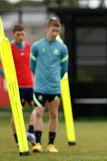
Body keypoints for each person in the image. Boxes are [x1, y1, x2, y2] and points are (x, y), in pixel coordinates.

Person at [30, 17, 69, 153]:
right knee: (39, 113)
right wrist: (41, 77)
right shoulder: (36, 46)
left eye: (57, 31)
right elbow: (32, 66)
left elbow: (64, 68)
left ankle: (51, 144)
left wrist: (55, 78)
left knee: (53, 114)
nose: (55, 33)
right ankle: (38, 143)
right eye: (53, 30)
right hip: (40, 87)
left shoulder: (62, 48)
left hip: (55, 87)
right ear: (46, 29)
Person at [0, 24, 36, 147]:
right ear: (13, 34)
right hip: (17, 86)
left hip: (29, 84)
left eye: (22, 34)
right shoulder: (8, 47)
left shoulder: (28, 46)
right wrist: (7, 75)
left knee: (37, 108)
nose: (20, 37)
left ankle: (30, 131)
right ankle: (17, 140)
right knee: (16, 113)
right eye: (18, 34)